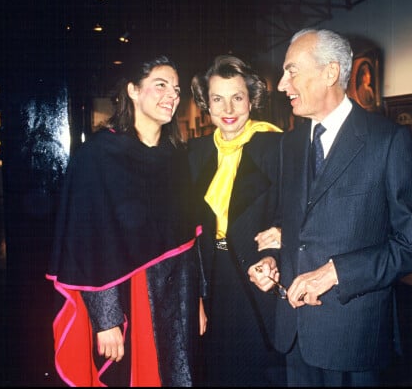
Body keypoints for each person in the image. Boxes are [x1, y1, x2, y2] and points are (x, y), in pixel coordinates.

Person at [248, 28, 412, 386]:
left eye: (292, 71)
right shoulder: (291, 143)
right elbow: (291, 222)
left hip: (354, 337)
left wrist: (336, 273)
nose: (282, 84)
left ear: (330, 73)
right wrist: (272, 258)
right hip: (295, 331)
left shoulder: (389, 142)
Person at [46, 55, 204, 387]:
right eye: (159, 85)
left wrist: (198, 300)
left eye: (175, 89)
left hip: (179, 296)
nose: (171, 96)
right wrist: (106, 319)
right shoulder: (99, 156)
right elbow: (88, 241)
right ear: (132, 90)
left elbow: (191, 239)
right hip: (131, 294)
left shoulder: (175, 156)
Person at [187, 54, 286, 386]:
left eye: (237, 97)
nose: (228, 109)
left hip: (257, 272)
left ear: (251, 100)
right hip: (211, 277)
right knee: (218, 369)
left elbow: (296, 210)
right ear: (207, 104)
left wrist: (281, 244)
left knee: (259, 368)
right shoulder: (196, 153)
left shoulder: (276, 146)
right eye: (218, 99)